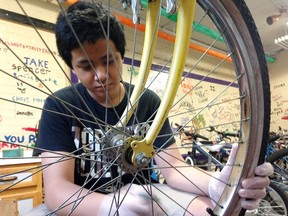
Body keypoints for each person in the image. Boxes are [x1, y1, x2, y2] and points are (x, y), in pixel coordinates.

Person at [31, 2, 273, 216]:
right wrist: (108, 207)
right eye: (85, 66)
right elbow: (56, 190)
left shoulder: (148, 102)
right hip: (86, 207)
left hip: (143, 198)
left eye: (109, 60)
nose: (101, 75)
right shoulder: (59, 106)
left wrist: (219, 184)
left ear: (121, 56)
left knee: (208, 206)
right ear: (72, 67)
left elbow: (174, 170)